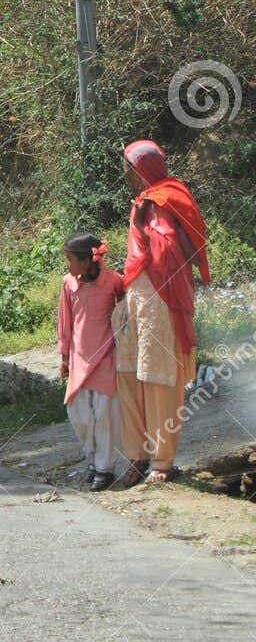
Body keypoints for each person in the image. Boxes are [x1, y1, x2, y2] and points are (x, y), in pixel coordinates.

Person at [115, 139, 211, 486]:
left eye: (127, 165)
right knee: (129, 376)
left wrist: (146, 225)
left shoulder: (161, 200)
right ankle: (137, 455)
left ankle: (162, 461)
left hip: (159, 299)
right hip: (138, 297)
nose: (124, 172)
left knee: (158, 379)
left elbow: (173, 251)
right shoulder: (152, 198)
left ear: (141, 168)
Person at [58, 234, 125, 491]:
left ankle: (104, 469)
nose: (67, 264)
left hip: (106, 356)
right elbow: (65, 321)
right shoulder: (68, 283)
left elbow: (125, 308)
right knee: (79, 413)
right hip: (79, 358)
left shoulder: (112, 281)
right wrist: (64, 356)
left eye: (70, 259)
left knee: (104, 414)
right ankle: (92, 458)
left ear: (86, 261)